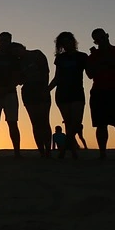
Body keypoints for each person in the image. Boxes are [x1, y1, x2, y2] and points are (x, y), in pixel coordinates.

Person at [86, 29, 115, 160]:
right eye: (97, 39)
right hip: (99, 92)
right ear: (95, 41)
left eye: (102, 37)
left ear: (107, 36)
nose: (100, 41)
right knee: (100, 125)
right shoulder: (93, 56)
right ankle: (102, 154)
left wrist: (102, 58)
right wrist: (98, 59)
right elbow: (90, 74)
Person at [49, 31, 89, 159]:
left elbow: (89, 73)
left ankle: (64, 150)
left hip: (77, 92)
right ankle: (73, 152)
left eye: (68, 41)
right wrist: (46, 90)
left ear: (73, 41)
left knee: (76, 123)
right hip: (62, 93)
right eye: (63, 42)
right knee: (68, 123)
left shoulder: (82, 56)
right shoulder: (60, 58)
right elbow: (57, 77)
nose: (66, 44)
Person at [18, 42, 53, 157]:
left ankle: (48, 150)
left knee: (44, 121)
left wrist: (45, 89)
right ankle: (42, 151)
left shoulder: (37, 54)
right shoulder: (18, 62)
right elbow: (19, 80)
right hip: (28, 92)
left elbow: (46, 72)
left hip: (41, 89)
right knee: (35, 122)